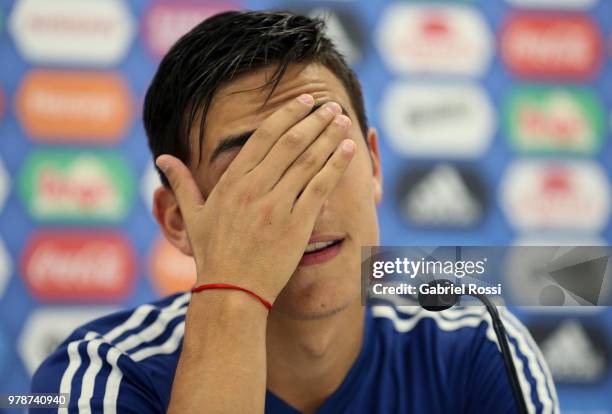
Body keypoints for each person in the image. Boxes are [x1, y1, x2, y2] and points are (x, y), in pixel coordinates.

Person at [32, 11, 558, 414]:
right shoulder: (107, 372)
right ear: (177, 218)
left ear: (374, 166)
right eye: (257, 170)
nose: (309, 199)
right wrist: (234, 294)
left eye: (327, 150)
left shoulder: (473, 345)